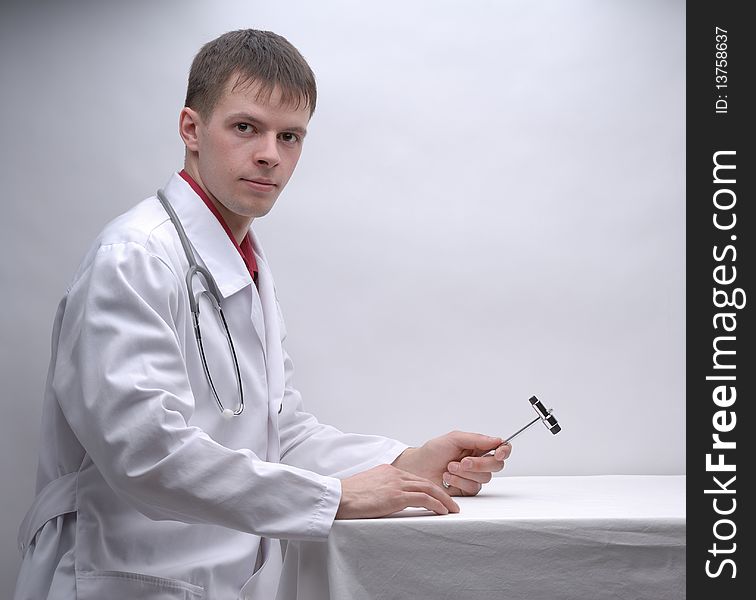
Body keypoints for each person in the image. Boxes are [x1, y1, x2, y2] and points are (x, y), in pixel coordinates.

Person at [13, 29, 512, 600]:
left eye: (290, 136)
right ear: (191, 128)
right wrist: (335, 497)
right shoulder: (134, 257)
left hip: (214, 581)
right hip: (120, 578)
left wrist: (405, 461)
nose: (270, 153)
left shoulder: (242, 263)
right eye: (246, 127)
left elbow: (276, 433)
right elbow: (145, 452)